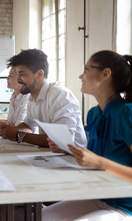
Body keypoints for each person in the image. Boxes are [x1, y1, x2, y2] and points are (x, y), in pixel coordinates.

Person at [43, 51, 132, 220]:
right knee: (37, 217)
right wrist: (68, 150)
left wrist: (99, 162)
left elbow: (100, 162)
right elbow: (96, 157)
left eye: (86, 69)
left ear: (106, 74)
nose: (80, 75)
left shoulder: (127, 114)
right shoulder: (93, 114)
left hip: (125, 207)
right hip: (97, 197)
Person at [0, 49, 87, 148]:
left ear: (39, 74)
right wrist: (10, 131)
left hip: (73, 159)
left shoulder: (59, 96)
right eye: (17, 74)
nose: (18, 79)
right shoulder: (32, 96)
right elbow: (28, 126)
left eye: (22, 74)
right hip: (51, 155)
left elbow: (62, 141)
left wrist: (18, 135)